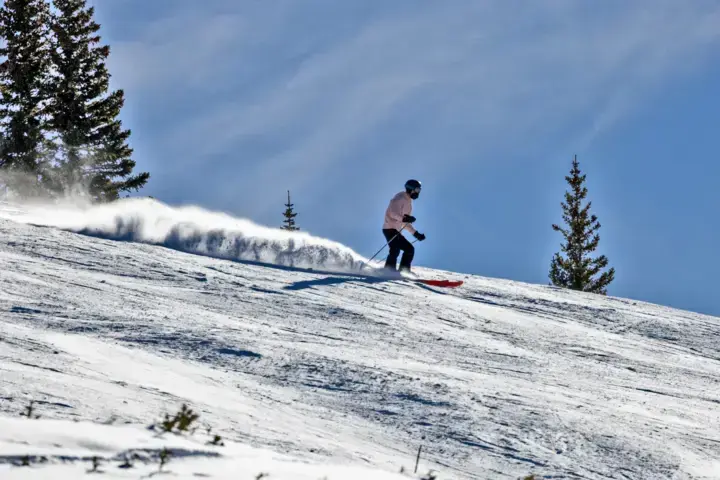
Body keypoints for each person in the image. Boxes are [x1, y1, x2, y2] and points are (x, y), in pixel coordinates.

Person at [382, 179, 426, 273]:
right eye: (417, 190)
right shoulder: (400, 198)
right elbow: (392, 213)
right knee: (403, 249)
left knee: (401, 249)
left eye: (419, 190)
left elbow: (405, 223)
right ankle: (394, 271)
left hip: (395, 230)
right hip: (389, 228)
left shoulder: (409, 202)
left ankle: (394, 271)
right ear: (410, 189)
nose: (418, 193)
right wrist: (405, 219)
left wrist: (416, 234)